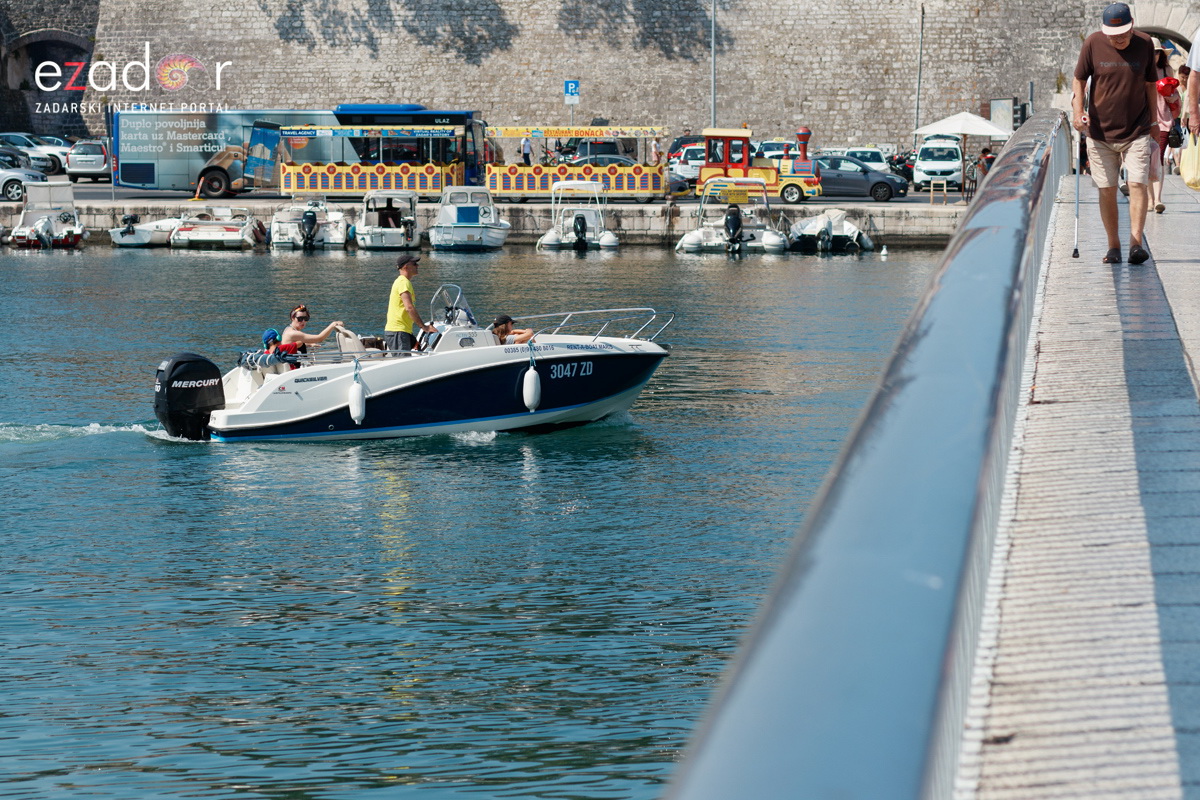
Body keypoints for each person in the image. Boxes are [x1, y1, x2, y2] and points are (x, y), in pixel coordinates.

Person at [1072, 2, 1157, 265]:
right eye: (1113, 34)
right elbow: (1079, 80)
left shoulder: (1145, 44)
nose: (1118, 39)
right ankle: (1113, 246)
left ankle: (1135, 243)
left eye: (1122, 34)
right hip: (1099, 132)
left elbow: (1150, 85)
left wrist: (1153, 121)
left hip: (1137, 130)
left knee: (1137, 184)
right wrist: (1078, 112)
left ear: (1131, 28)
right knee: (1107, 189)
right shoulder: (1093, 43)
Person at [384, 254, 436, 352]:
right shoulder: (403, 282)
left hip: (401, 331)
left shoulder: (402, 281)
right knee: (402, 365)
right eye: (415, 264)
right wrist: (424, 327)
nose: (417, 266)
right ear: (406, 266)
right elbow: (409, 308)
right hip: (398, 332)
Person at [1150, 39, 1177, 213]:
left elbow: (1176, 95)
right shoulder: (1142, 71)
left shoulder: (1167, 70)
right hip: (1145, 120)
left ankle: (1158, 199)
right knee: (1145, 161)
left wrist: (1172, 97)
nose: (1155, 55)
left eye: (1157, 52)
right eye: (1152, 52)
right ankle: (1150, 199)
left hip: (1164, 121)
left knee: (1158, 159)